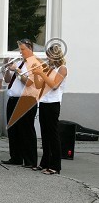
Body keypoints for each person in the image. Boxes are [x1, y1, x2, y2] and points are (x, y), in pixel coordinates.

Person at [2, 38, 39, 168]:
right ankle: (16, 157)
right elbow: (7, 80)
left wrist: (16, 70)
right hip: (13, 99)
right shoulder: (20, 63)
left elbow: (29, 82)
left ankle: (30, 160)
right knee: (13, 130)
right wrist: (7, 69)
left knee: (26, 130)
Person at [33, 44, 68, 175]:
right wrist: (36, 74)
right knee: (45, 134)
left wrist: (41, 72)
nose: (48, 59)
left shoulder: (62, 68)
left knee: (53, 134)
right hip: (44, 101)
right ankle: (44, 163)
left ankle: (55, 166)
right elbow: (38, 85)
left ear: (55, 55)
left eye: (49, 56)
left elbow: (54, 85)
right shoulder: (50, 68)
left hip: (53, 103)